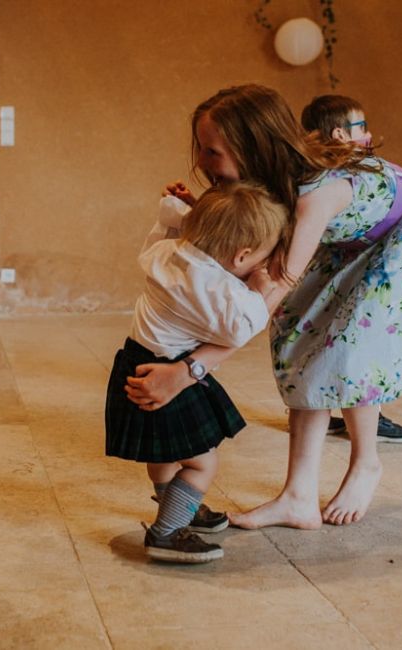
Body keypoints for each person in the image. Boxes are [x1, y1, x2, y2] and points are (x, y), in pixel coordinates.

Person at [127, 84, 402, 529]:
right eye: (200, 148)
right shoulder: (268, 182)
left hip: (399, 235)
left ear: (252, 148)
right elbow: (246, 254)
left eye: (212, 151)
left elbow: (256, 305)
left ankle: (365, 463)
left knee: (349, 348)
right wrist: (202, 216)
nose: (202, 162)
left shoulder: (315, 196)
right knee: (299, 342)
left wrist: (188, 371)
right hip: (342, 237)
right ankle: (298, 498)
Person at [106, 182, 286, 563]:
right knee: (203, 463)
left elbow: (170, 224)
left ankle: (175, 502)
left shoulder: (166, 252)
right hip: (169, 369)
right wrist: (261, 288)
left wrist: (178, 210)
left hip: (135, 360)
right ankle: (167, 532)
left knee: (166, 452)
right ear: (243, 256)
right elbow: (243, 328)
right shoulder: (217, 288)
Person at [301, 94, 402, 444]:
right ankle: (365, 417)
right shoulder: (341, 178)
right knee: (362, 341)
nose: (368, 134)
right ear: (340, 134)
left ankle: (344, 412)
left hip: (345, 264)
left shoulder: (332, 173)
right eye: (361, 126)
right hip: (355, 265)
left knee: (346, 338)